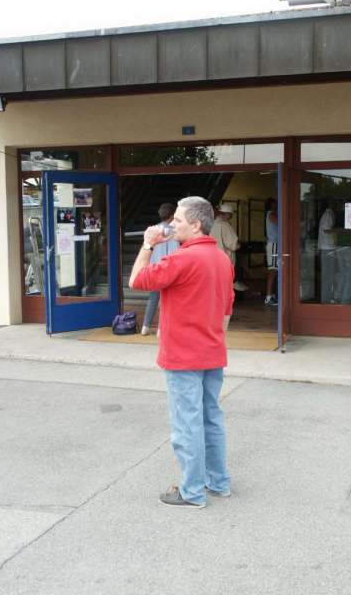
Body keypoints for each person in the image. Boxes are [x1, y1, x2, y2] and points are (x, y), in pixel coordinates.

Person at [129, 196, 234, 508]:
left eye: (177, 220)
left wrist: (148, 244)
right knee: (211, 418)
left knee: (187, 423)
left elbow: (136, 280)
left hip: (183, 355)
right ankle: (219, 483)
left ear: (196, 224)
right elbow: (227, 309)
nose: (171, 224)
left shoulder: (181, 260)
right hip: (212, 352)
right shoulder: (222, 260)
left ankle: (192, 492)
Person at [141, 203, 179, 335]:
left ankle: (145, 327)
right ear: (172, 215)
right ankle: (161, 329)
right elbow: (174, 252)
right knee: (166, 300)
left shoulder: (152, 230)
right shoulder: (173, 232)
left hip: (153, 269)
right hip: (166, 269)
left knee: (153, 298)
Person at [210, 202, 247, 291]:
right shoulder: (225, 225)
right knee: (225, 284)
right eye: (230, 215)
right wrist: (239, 244)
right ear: (226, 214)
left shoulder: (212, 224)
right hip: (225, 259)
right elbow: (233, 245)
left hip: (213, 258)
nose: (231, 217)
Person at [317, 200, 337, 303]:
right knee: (328, 275)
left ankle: (326, 297)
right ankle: (327, 298)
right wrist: (338, 231)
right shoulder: (328, 215)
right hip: (328, 248)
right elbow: (326, 229)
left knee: (327, 275)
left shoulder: (326, 214)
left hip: (326, 248)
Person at [265, 197, 278, 306]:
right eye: (275, 204)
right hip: (273, 245)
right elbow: (281, 223)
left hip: (275, 244)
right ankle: (268, 298)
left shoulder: (272, 214)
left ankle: (271, 295)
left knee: (275, 270)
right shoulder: (271, 214)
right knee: (272, 270)